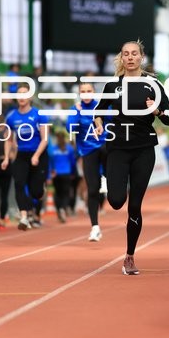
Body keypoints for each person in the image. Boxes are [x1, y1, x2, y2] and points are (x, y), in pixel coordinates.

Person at [93, 40, 169, 276]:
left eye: (134, 54)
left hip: (144, 149)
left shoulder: (153, 84)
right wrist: (99, 123)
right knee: (116, 200)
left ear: (141, 57)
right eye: (125, 54)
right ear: (121, 59)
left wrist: (157, 111)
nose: (130, 57)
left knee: (134, 206)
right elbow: (99, 110)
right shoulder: (113, 85)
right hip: (118, 148)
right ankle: (109, 181)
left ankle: (129, 256)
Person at [2, 84, 49, 230]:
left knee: (36, 192)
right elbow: (8, 139)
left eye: (24, 94)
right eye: (19, 94)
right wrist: (6, 158)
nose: (22, 97)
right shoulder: (11, 117)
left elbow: (45, 139)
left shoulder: (39, 114)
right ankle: (24, 217)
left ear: (29, 97)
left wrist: (36, 155)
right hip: (22, 155)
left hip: (38, 154)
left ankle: (41, 191)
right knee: (19, 184)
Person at [66, 81, 108, 242]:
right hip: (88, 152)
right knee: (92, 190)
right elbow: (70, 129)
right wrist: (77, 113)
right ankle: (95, 227)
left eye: (89, 90)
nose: (86, 93)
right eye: (83, 91)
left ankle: (109, 180)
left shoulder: (102, 106)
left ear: (93, 91)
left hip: (105, 148)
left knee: (111, 184)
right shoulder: (75, 109)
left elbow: (115, 121)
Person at [48, 129, 77, 223]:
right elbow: (73, 162)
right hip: (66, 173)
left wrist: (50, 174)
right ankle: (63, 209)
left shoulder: (53, 149)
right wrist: (73, 172)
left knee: (57, 193)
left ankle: (59, 209)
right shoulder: (69, 148)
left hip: (56, 174)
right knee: (66, 193)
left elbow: (50, 162)